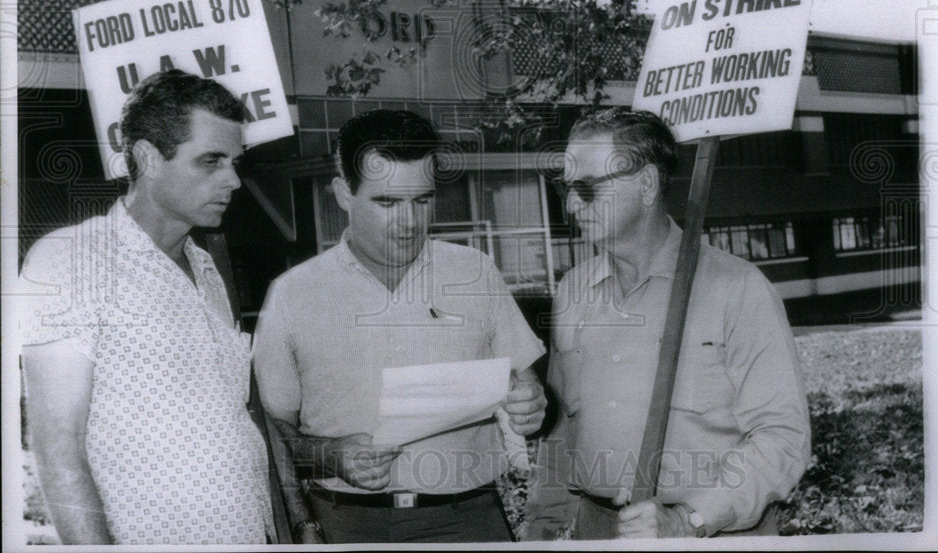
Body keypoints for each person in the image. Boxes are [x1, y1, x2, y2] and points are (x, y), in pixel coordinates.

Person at [252, 108, 547, 543]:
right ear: (342, 194)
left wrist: (533, 404)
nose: (409, 223)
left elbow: (532, 390)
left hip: (468, 519)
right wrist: (329, 456)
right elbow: (273, 434)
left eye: (422, 200)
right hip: (345, 523)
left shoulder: (475, 272)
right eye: (387, 202)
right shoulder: (292, 294)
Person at [19, 70, 287, 544]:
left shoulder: (207, 270)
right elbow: (58, 453)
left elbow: (235, 426)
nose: (234, 180)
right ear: (146, 157)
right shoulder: (72, 261)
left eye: (235, 160)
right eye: (211, 161)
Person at [527, 107, 810, 540]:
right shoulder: (573, 292)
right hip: (597, 527)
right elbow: (562, 430)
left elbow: (782, 438)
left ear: (646, 184)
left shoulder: (736, 288)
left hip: (710, 531)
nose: (570, 204)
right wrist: (543, 528)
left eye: (587, 189)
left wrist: (689, 519)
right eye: (566, 189)